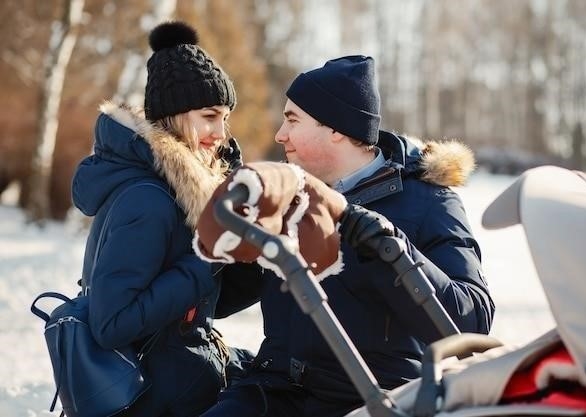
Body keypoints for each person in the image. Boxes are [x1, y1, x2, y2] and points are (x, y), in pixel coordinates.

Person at [200, 55, 496, 417]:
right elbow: (218, 298)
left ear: (336, 129)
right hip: (273, 391)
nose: (280, 135)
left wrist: (391, 248)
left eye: (292, 120)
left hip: (369, 400)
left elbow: (474, 321)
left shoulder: (429, 202)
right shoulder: (290, 197)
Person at [71, 21, 259, 417]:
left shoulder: (181, 194)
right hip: (152, 399)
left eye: (225, 117)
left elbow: (201, 305)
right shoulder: (148, 200)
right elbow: (112, 323)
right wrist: (207, 257)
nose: (221, 132)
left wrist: (259, 258)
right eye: (209, 116)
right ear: (173, 116)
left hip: (182, 381)